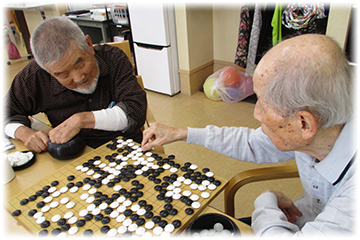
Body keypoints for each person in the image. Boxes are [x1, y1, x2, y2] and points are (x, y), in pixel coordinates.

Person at [141, 34, 355, 236]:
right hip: (305, 218)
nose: (255, 112)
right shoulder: (321, 131)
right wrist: (181, 133)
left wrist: (265, 204)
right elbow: (253, 143)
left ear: (304, 123)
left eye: (263, 103)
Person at [4, 17, 147, 152]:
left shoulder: (113, 58)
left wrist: (81, 120)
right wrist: (23, 132)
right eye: (63, 74)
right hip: (73, 155)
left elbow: (136, 110)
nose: (78, 78)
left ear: (89, 45)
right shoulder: (33, 76)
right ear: (47, 71)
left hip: (126, 147)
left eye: (81, 63)